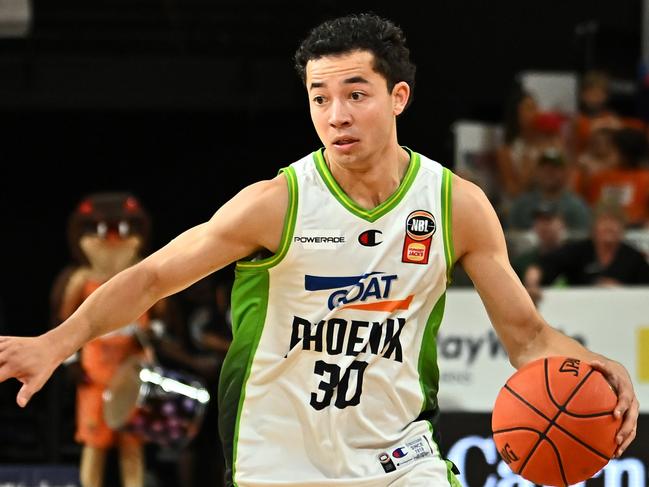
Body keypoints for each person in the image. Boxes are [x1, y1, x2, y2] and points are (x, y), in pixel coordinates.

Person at [0, 13, 638, 487]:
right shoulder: (277, 203)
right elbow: (153, 277)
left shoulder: (455, 205)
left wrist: (597, 367)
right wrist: (58, 340)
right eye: (319, 98)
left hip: (398, 456)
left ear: (398, 98)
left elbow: (526, 338)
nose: (335, 114)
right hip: (280, 458)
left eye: (355, 94)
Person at [49, 193, 155, 487]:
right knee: (95, 445)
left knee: (132, 446)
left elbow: (160, 320)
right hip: (95, 374)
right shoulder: (81, 279)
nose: (110, 238)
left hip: (133, 372)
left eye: (119, 230)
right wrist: (69, 361)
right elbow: (63, 323)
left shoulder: (145, 272)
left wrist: (151, 337)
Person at [528, 203, 649, 287]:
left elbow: (644, 289)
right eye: (604, 221)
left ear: (623, 228)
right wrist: (533, 278)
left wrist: (618, 290)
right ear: (594, 228)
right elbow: (547, 263)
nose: (609, 227)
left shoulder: (634, 257)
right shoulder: (579, 251)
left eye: (615, 222)